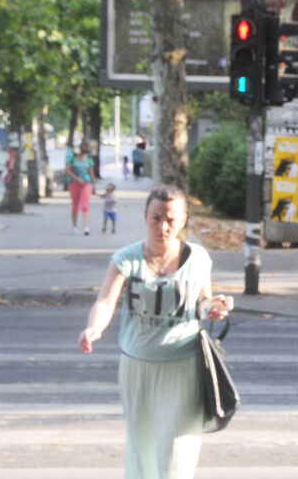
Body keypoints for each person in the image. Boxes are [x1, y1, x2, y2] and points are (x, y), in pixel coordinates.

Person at [78, 185, 234, 479]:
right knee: (142, 450)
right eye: (156, 217)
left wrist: (216, 308)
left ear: (184, 220)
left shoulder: (198, 258)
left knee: (177, 454)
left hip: (183, 367)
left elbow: (202, 304)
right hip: (137, 368)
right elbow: (106, 300)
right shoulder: (126, 258)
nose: (163, 226)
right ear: (145, 216)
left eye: (171, 219)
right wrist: (94, 327)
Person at [67, 140, 96, 235]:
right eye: (85, 149)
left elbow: (91, 173)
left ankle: (86, 227)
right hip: (74, 184)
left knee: (85, 205)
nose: (86, 151)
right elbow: (68, 171)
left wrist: (94, 185)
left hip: (86, 184)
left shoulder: (89, 159)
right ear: (80, 148)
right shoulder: (73, 158)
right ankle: (74, 225)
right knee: (75, 206)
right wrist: (77, 179)